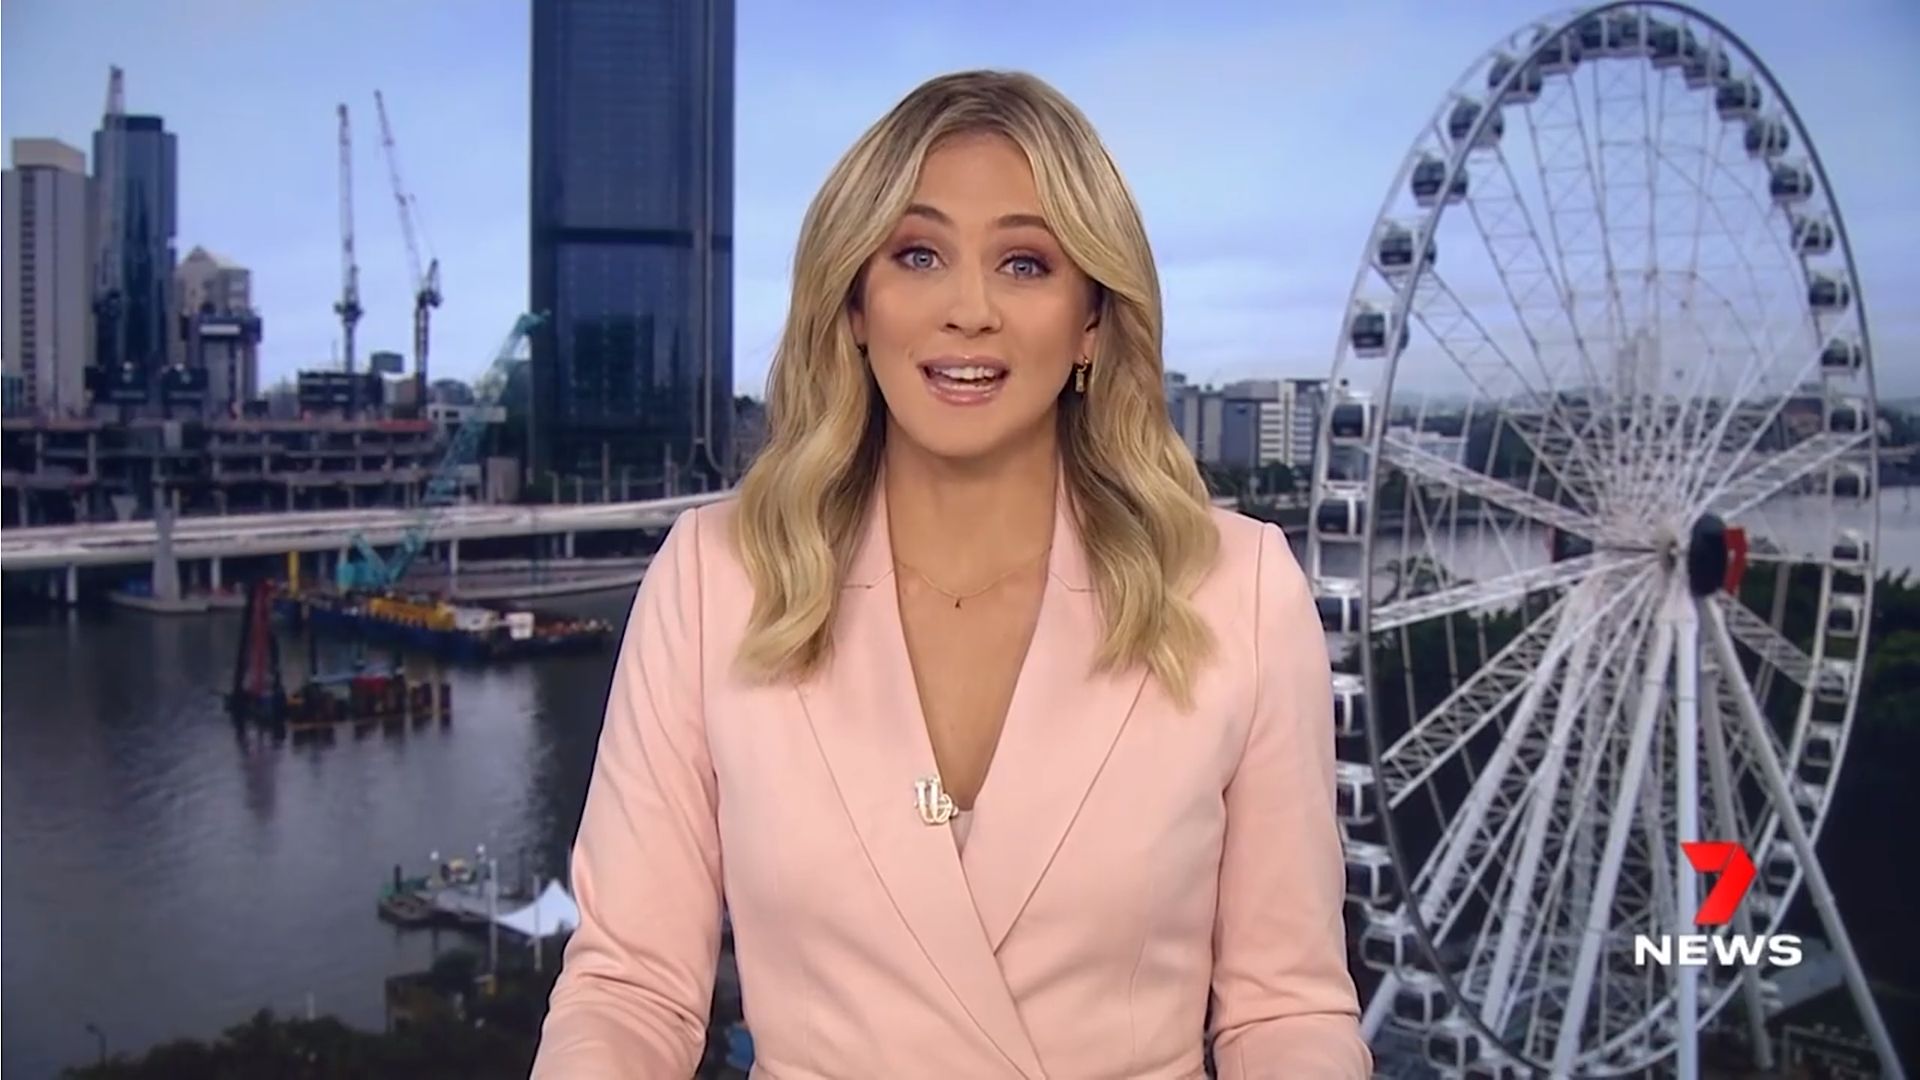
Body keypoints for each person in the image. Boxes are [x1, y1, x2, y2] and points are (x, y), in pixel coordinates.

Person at [532, 70, 1368, 1079]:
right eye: (919, 255)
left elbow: (1285, 1013)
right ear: (855, 300)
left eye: (1024, 263)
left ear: (1092, 321)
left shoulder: (1238, 590)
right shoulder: (716, 580)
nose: (969, 311)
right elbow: (630, 991)